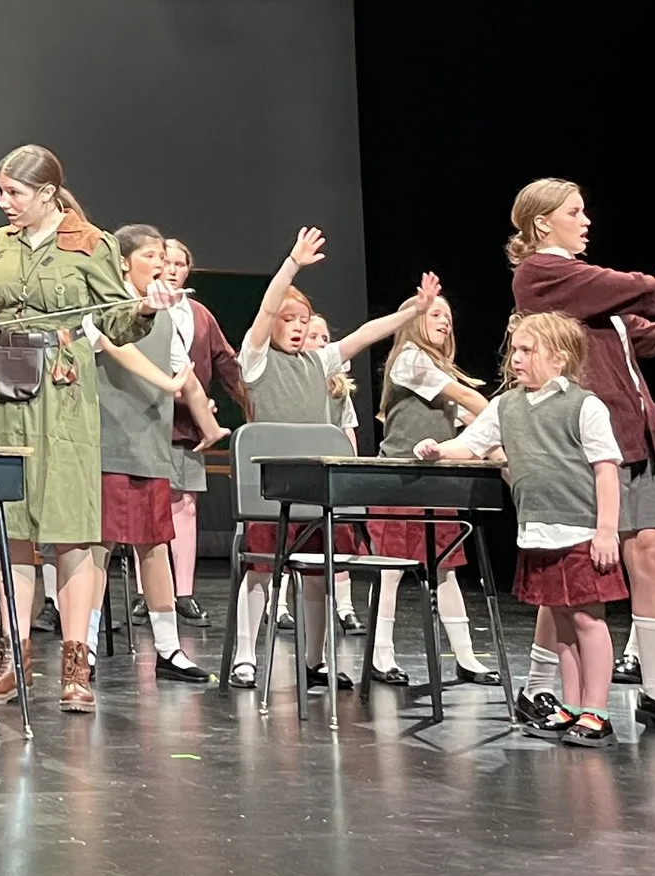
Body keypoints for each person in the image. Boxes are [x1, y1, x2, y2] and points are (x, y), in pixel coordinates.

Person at [0, 144, 162, 715]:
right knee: (11, 527)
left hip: (61, 399)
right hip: (3, 395)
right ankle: (12, 661)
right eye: (0, 191)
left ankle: (75, 667)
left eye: (14, 193)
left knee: (70, 531)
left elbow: (115, 319)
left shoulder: (90, 244)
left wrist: (145, 307)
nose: (4, 202)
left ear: (46, 193)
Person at [507, 178, 655, 732]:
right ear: (542, 223)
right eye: (574, 212)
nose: (586, 221)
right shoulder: (542, 273)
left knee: (648, 552)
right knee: (569, 571)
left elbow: (637, 333)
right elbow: (624, 287)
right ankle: (537, 686)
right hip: (587, 441)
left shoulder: (586, 292)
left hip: (634, 432)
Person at [226, 227, 434, 693]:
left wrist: (412, 312)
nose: (298, 327)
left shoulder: (320, 362)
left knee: (319, 575)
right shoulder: (256, 361)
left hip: (315, 492)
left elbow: (363, 335)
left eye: (304, 320)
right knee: (261, 573)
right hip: (271, 491)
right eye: (289, 320)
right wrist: (293, 265)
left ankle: (315, 661)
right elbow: (267, 306)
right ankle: (244, 657)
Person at [417, 309, 624, 745]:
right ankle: (572, 705)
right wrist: (439, 449)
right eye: (515, 350)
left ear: (559, 357)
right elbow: (471, 444)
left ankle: (598, 711)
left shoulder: (584, 405)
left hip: (581, 532)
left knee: (587, 619)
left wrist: (607, 531)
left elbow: (606, 470)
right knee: (562, 623)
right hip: (538, 532)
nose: (516, 358)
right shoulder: (506, 405)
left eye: (528, 350)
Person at [97, 225, 224, 686]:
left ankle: (169, 650)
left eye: (163, 256)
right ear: (123, 262)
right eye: (150, 255)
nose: (160, 264)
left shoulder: (169, 318)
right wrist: (166, 382)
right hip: (107, 445)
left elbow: (185, 375)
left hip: (151, 446)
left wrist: (210, 427)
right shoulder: (104, 309)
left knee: (154, 546)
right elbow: (115, 346)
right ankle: (83, 650)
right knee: (96, 549)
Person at [368, 293, 499, 683]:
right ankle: (380, 655)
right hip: (398, 482)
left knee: (446, 570)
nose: (445, 321)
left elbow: (471, 423)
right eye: (435, 314)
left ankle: (466, 657)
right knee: (390, 570)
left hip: (436, 484)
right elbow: (468, 399)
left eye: (448, 316)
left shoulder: (438, 370)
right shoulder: (410, 359)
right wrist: (510, 419)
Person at [157, 237, 240, 627]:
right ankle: (149, 592)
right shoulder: (140, 308)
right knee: (150, 505)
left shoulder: (200, 315)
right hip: (149, 419)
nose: (173, 270)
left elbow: (227, 362)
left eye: (180, 263)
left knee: (185, 504)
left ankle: (184, 592)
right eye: (166, 262)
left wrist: (249, 400)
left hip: (188, 424)